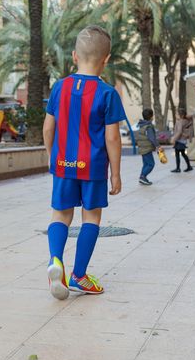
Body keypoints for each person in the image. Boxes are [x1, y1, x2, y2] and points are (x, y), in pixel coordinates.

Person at [42, 25, 125, 298]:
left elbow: (48, 127)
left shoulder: (59, 87)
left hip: (63, 164)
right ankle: (78, 274)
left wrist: (51, 155)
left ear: (75, 56)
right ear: (106, 59)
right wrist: (116, 173)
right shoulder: (108, 94)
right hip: (93, 167)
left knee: (61, 215)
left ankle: (56, 260)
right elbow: (113, 138)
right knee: (91, 218)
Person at [134, 108, 160, 186]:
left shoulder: (141, 125)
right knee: (151, 164)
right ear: (152, 117)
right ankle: (142, 177)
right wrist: (158, 146)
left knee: (146, 164)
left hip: (142, 147)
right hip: (147, 148)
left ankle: (142, 178)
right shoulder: (148, 126)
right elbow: (152, 138)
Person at [170, 107, 194, 173]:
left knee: (177, 154)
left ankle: (178, 168)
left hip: (179, 140)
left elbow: (179, 131)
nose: (175, 115)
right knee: (183, 154)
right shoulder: (186, 121)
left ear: (181, 115)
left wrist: (174, 139)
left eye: (177, 114)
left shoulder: (180, 122)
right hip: (183, 140)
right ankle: (189, 166)